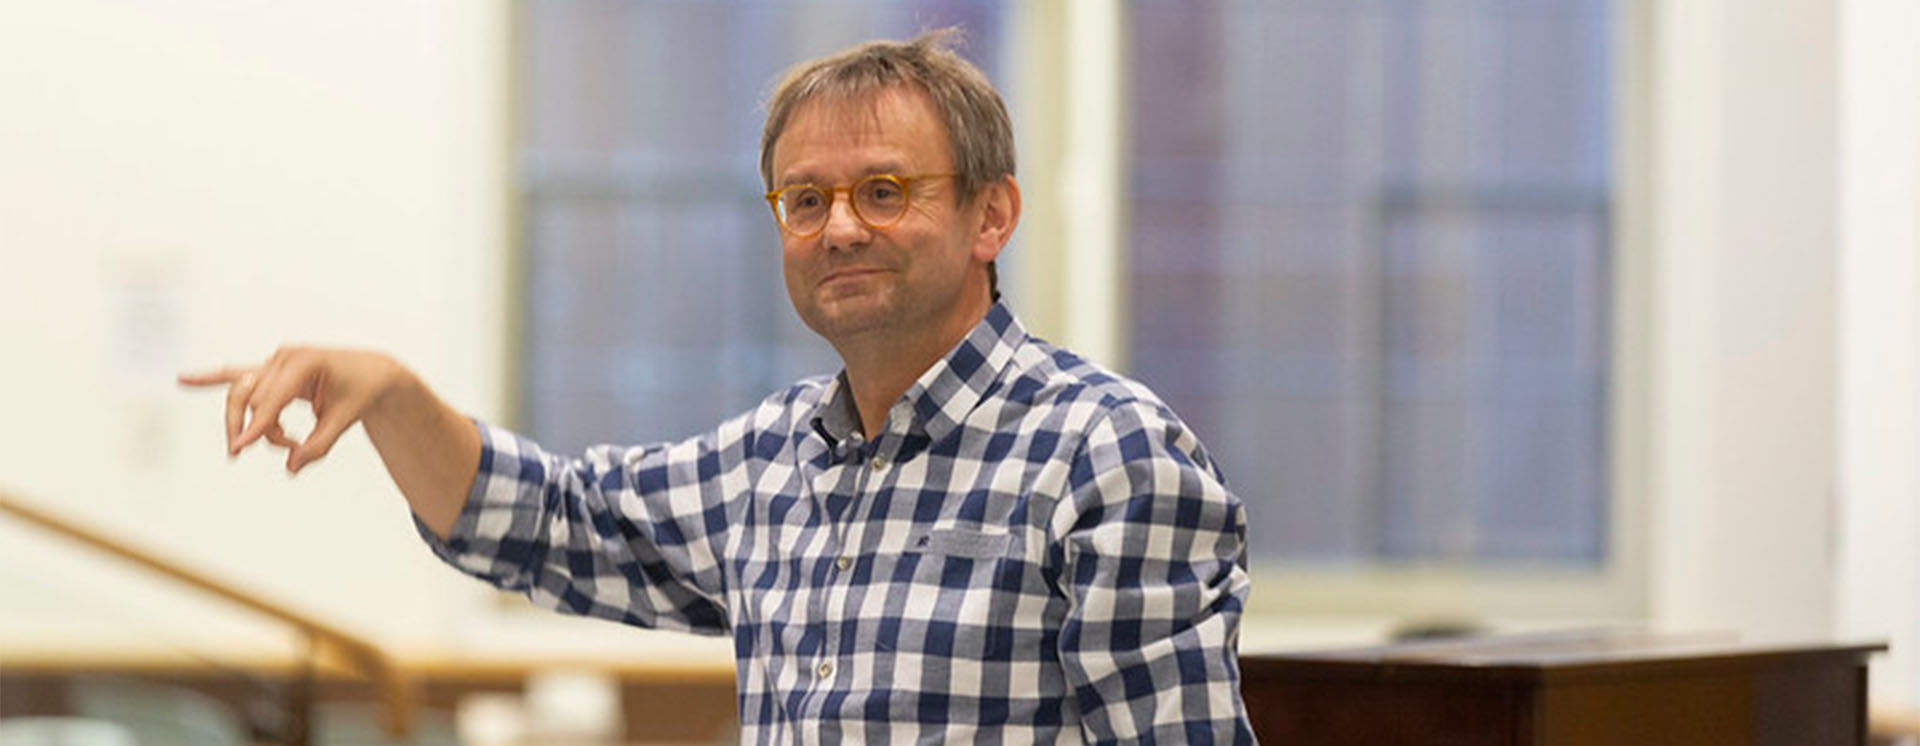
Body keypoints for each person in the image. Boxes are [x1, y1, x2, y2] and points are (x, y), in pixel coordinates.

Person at [182, 29, 1254, 744]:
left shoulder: (1106, 455)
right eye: (804, 198)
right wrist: (394, 394)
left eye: (885, 189)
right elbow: (554, 522)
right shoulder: (776, 458)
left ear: (992, 215)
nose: (839, 226)